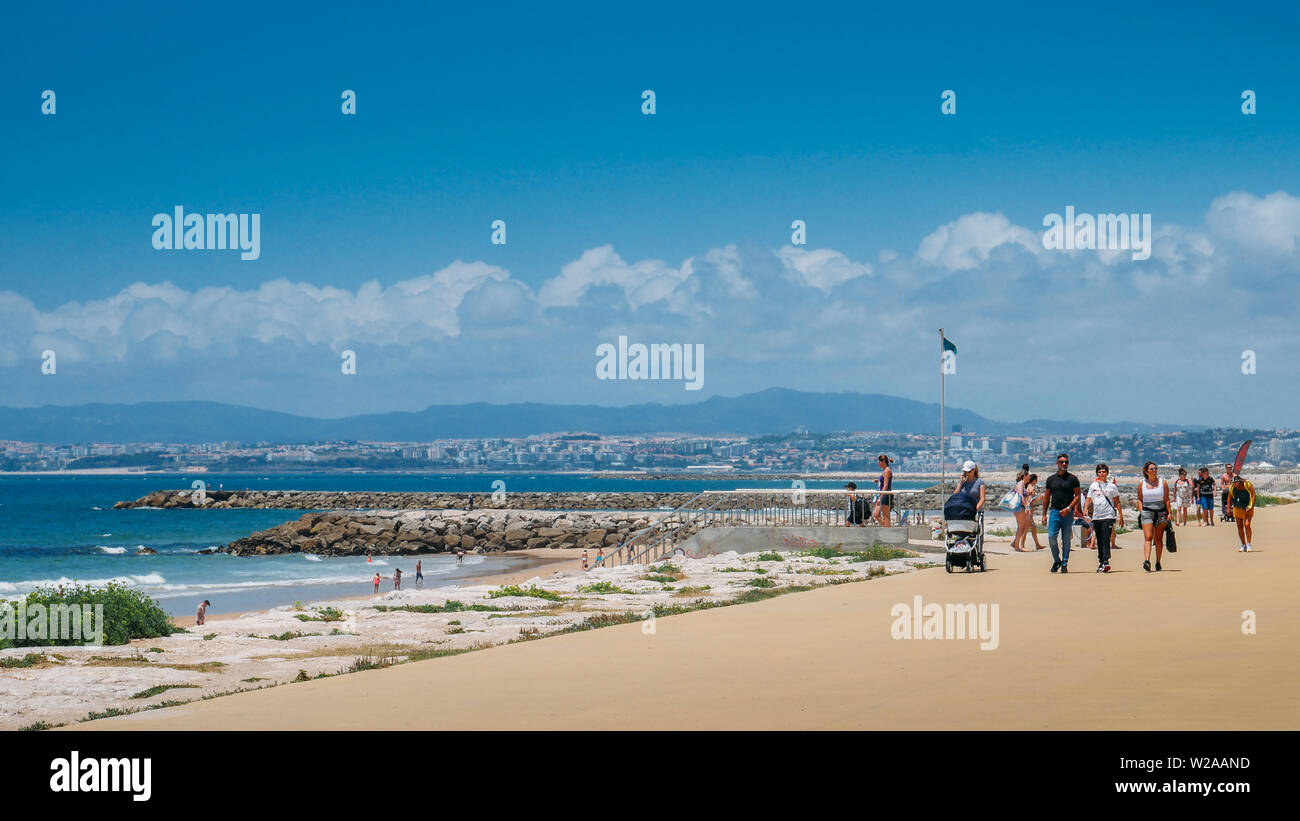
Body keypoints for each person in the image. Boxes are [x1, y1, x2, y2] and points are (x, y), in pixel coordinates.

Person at [1041, 453, 1080, 573]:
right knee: (1051, 536)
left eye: (1066, 462)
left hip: (1067, 513)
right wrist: (1043, 514)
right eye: (1062, 462)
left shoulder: (1073, 479)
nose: (1064, 464)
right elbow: (1047, 497)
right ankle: (1056, 560)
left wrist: (1069, 508)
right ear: (1057, 463)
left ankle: (1064, 563)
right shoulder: (1051, 479)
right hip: (1054, 512)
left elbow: (1078, 496)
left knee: (1066, 539)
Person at [1086, 463, 1122, 573]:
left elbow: (1117, 502)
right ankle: (1101, 562)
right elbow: (1088, 500)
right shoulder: (1093, 486)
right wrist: (1084, 511)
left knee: (1106, 539)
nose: (1102, 473)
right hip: (1097, 517)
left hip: (1109, 516)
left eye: (1104, 472)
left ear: (1107, 473)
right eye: (1100, 472)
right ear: (1097, 473)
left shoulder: (1112, 486)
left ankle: (1106, 561)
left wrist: (1121, 516)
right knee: (1100, 540)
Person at [1136, 461, 1172, 572]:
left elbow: (1166, 499)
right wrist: (1141, 510)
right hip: (1147, 511)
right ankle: (1147, 561)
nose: (1154, 470)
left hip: (1161, 511)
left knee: (1158, 538)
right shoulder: (1142, 483)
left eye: (1155, 468)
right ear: (1146, 471)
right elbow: (1139, 499)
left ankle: (1158, 562)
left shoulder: (1163, 482)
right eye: (1151, 469)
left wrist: (1169, 513)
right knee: (1148, 537)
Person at [1010, 472, 1041, 552]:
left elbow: (1024, 495)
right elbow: (1021, 496)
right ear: (1025, 476)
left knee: (1022, 527)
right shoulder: (1020, 484)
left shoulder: (1022, 484)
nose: (1029, 477)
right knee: (1022, 527)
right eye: (1028, 476)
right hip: (1020, 508)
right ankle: (1017, 546)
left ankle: (1016, 545)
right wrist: (1027, 506)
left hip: (1020, 508)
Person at [1230, 474, 1256, 551]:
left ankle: (1249, 544)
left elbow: (1253, 495)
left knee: (1247, 525)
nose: (1236, 485)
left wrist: (1251, 506)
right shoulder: (1232, 487)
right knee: (1240, 526)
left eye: (1237, 483)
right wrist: (1228, 508)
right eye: (1234, 483)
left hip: (1248, 507)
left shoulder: (1247, 484)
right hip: (1237, 507)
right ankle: (1243, 545)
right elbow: (1229, 496)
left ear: (1240, 482)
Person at [873, 455, 894, 526]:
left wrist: (880, 497)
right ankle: (885, 528)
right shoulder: (885, 471)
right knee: (880, 515)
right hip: (884, 494)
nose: (878, 463)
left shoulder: (887, 471)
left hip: (885, 495)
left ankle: (886, 529)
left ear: (883, 462)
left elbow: (886, 485)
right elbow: (885, 480)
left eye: (879, 462)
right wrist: (879, 480)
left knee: (882, 515)